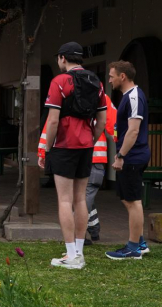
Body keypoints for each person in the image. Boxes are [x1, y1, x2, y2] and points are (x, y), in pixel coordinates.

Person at [39, 42, 107, 269]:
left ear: (62, 58)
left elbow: (53, 121)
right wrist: (90, 140)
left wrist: (48, 149)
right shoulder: (96, 81)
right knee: (80, 200)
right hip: (86, 146)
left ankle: (71, 255)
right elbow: (102, 121)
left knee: (65, 200)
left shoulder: (59, 81)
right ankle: (79, 252)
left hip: (64, 146)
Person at [38, 94, 115, 243]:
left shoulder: (62, 94)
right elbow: (112, 123)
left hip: (69, 155)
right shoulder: (101, 95)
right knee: (83, 197)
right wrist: (121, 148)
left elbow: (51, 124)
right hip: (94, 155)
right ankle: (83, 234)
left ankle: (82, 234)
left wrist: (43, 152)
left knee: (76, 198)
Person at [105, 60, 152, 260]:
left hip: (132, 156)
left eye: (111, 76)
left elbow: (133, 131)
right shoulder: (128, 96)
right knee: (128, 198)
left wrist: (121, 156)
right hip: (130, 156)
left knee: (133, 201)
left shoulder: (134, 96)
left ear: (122, 76)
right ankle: (139, 242)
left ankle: (134, 248)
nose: (109, 80)